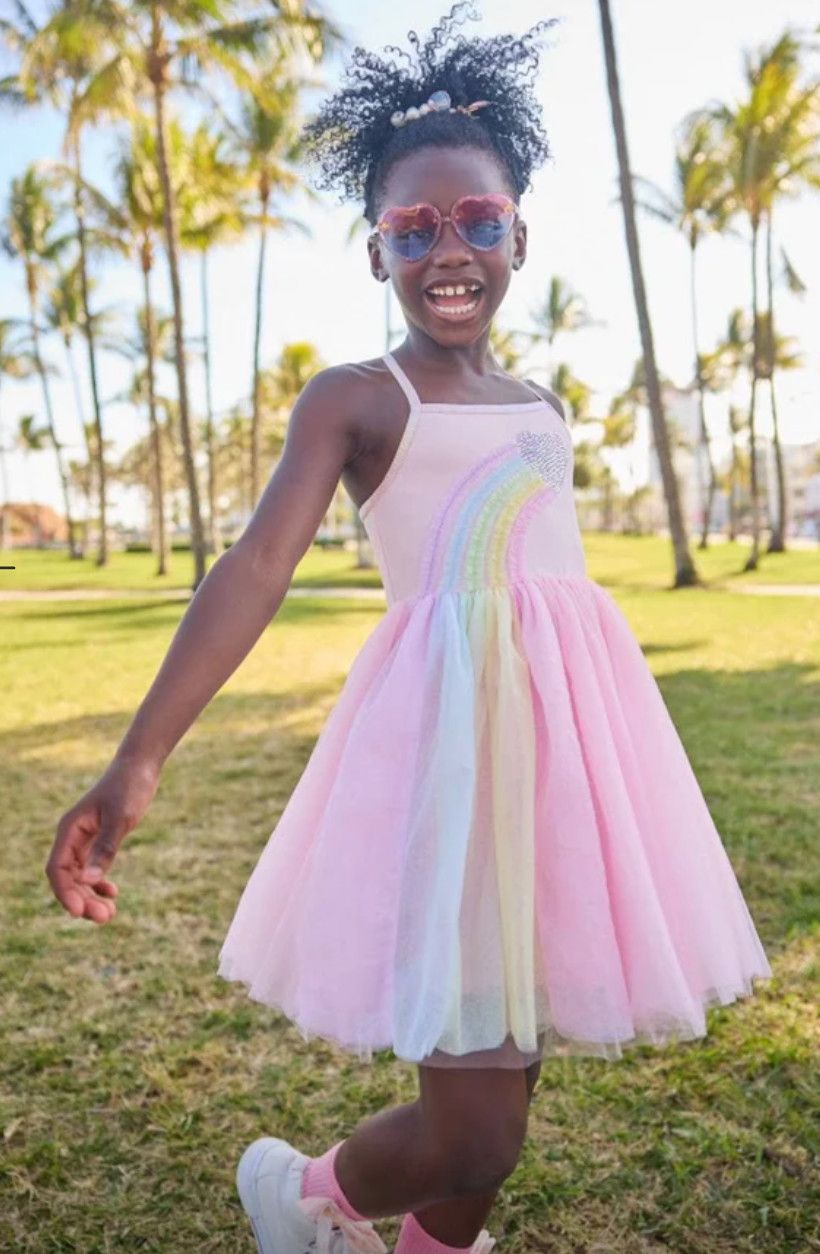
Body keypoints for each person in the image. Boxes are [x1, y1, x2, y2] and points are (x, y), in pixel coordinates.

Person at [45, 4, 774, 1252]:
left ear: (517, 237)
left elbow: (550, 596)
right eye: (415, 227)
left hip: (564, 773)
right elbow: (259, 564)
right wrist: (141, 755)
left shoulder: (539, 401)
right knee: (475, 1129)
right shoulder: (356, 399)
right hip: (450, 771)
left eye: (479, 222)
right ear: (376, 246)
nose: (452, 250)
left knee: (515, 1078)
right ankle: (305, 1192)